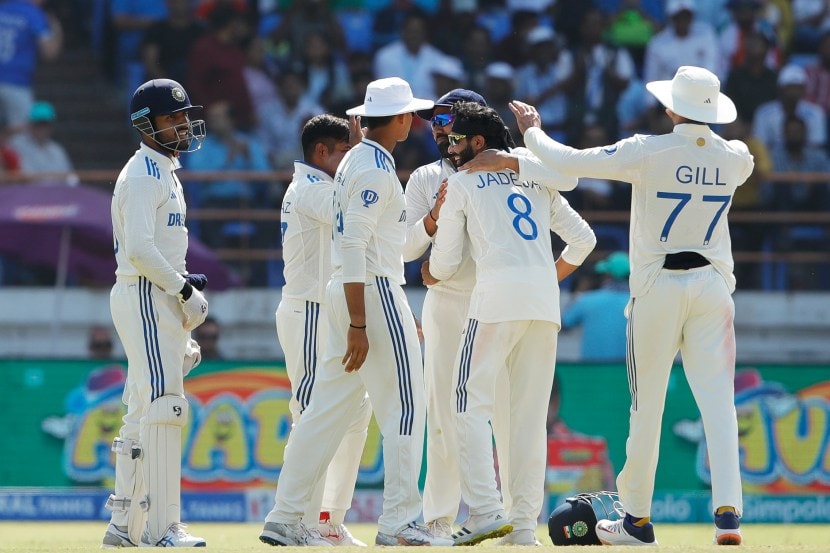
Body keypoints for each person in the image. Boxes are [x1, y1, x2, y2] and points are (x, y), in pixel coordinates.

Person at [504, 65, 752, 546]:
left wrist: (531, 132)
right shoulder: (737, 157)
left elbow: (570, 161)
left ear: (671, 107)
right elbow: (736, 156)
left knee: (647, 407)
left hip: (659, 284)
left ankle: (637, 521)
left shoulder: (647, 150)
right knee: (719, 404)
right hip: (714, 286)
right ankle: (727, 516)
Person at [259, 77, 453, 547]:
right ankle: (400, 522)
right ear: (402, 119)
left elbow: (370, 240)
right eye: (411, 114)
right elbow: (353, 244)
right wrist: (361, 322)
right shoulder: (371, 167)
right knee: (406, 405)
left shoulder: (359, 162)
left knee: (324, 411)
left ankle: (285, 516)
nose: (415, 120)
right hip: (372, 290)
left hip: (350, 292)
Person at [405, 88, 579, 540]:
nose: (440, 131)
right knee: (447, 417)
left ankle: (497, 515)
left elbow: (433, 266)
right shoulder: (427, 177)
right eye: (434, 123)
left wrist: (516, 158)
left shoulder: (489, 171)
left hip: (487, 301)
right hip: (465, 305)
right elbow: (403, 246)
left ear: (473, 132)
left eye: (447, 121)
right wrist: (431, 220)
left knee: (499, 416)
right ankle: (441, 520)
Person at [102, 78, 209, 548]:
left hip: (153, 295)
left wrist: (181, 290)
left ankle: (124, 526)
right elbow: (142, 249)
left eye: (184, 115)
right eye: (172, 117)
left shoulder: (163, 169)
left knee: (143, 412)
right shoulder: (145, 173)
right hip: (146, 293)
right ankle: (164, 529)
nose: (183, 124)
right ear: (146, 125)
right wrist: (184, 291)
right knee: (165, 406)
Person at [268, 114, 370, 546]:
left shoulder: (317, 185)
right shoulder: (311, 189)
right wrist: (368, 154)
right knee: (310, 414)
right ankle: (299, 520)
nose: (348, 161)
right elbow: (356, 210)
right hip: (308, 311)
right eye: (344, 152)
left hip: (324, 312)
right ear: (322, 152)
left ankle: (328, 519)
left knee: (355, 412)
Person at [0, 0, 62, 134]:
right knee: (22, 137)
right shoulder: (33, 14)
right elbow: (49, 52)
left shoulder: (2, 8)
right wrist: (56, 29)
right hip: (16, 84)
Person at [561, 251, 630, 362]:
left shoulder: (586, 300)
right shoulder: (640, 304)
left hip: (592, 372)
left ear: (607, 275)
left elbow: (564, 324)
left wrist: (579, 292)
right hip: (629, 373)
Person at [9, 101, 76, 185]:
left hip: (57, 195)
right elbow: (25, 177)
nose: (42, 128)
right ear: (30, 124)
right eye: (38, 124)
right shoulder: (16, 145)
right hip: (28, 195)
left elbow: (71, 178)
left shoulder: (57, 149)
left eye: (45, 124)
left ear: (51, 126)